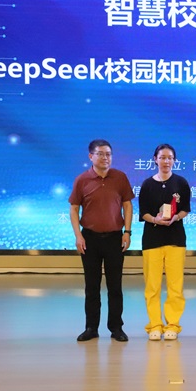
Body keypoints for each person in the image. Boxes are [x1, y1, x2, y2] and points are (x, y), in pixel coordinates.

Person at [69, 139, 134, 342]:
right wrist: (78, 235)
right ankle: (91, 328)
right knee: (92, 286)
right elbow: (74, 208)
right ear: (91, 156)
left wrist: (127, 232)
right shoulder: (82, 180)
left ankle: (116, 328)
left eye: (108, 154)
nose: (105, 158)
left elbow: (127, 205)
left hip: (115, 238)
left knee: (115, 286)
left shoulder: (120, 177)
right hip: (90, 239)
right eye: (100, 154)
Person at [138, 143, 191, 341]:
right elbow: (143, 213)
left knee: (175, 285)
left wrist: (176, 217)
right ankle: (154, 325)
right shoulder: (147, 184)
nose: (166, 161)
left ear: (174, 160)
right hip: (152, 239)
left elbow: (185, 209)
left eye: (169, 158)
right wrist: (155, 219)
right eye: (162, 157)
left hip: (175, 239)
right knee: (152, 286)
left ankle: (172, 325)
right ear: (155, 159)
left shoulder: (181, 183)